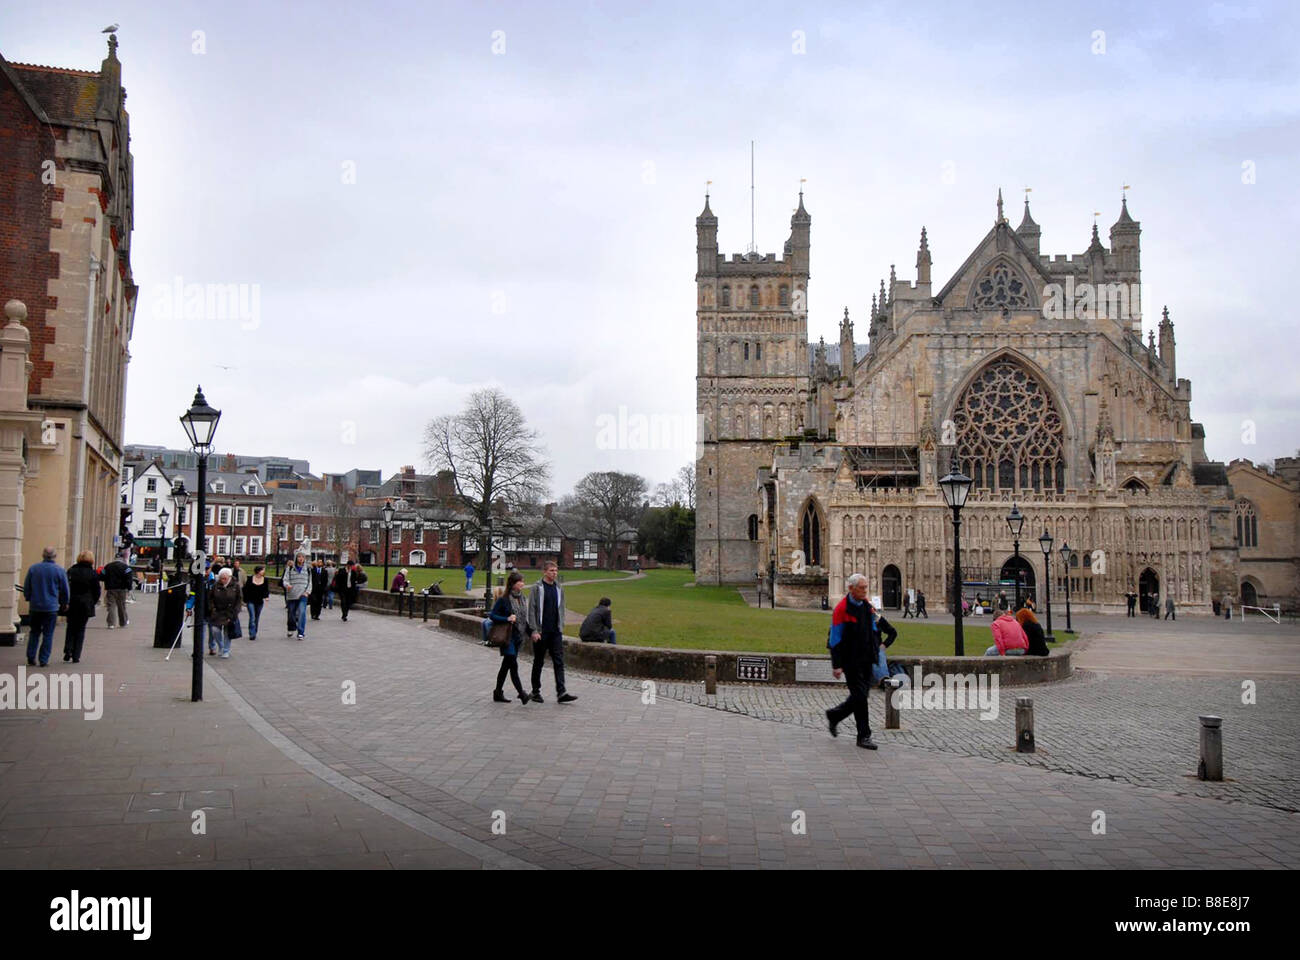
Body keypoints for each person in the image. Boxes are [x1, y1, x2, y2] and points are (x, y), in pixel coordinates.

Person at [824, 573, 878, 750]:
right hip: (850, 660)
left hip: (866, 658)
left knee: (860, 696)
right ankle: (864, 736)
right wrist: (837, 665)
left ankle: (834, 715)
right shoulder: (841, 609)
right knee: (861, 697)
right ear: (851, 588)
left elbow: (873, 630)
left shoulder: (867, 606)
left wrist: (876, 652)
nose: (865, 591)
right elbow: (834, 639)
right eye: (862, 588)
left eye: (865, 587)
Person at [527, 560, 577, 703]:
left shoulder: (559, 588)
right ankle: (535, 691)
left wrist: (561, 625)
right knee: (539, 661)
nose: (554, 573)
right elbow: (531, 610)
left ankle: (561, 692)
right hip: (542, 632)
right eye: (551, 571)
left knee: (559, 661)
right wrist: (534, 630)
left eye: (556, 571)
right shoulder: (537, 588)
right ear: (544, 572)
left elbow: (561, 608)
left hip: (555, 631)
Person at [488, 571, 533, 704]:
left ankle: (497, 692)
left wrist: (532, 633)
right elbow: (492, 615)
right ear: (513, 584)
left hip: (518, 636)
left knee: (506, 666)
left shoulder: (522, 598)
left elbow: (524, 619)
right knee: (513, 664)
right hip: (507, 637)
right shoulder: (504, 599)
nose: (522, 584)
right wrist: (507, 618)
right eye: (520, 581)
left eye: (523, 581)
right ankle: (522, 693)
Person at [23, 547, 69, 667]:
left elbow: (27, 586)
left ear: (43, 555)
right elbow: (65, 589)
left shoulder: (34, 569)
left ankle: (31, 657)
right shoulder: (59, 570)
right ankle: (43, 659)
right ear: (55, 556)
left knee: (34, 632)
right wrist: (64, 603)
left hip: (35, 606)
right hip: (51, 607)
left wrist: (28, 597)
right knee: (48, 634)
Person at [63, 550, 101, 663]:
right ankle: (76, 655)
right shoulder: (93, 573)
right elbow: (97, 591)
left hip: (72, 602)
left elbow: (66, 587)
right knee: (80, 629)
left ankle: (68, 649)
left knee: (70, 627)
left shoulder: (71, 571)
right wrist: (92, 602)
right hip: (85, 604)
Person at [207, 567, 243, 659]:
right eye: (221, 578)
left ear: (229, 577)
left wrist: (236, 611)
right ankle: (221, 646)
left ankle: (226, 650)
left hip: (230, 612)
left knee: (227, 632)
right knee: (214, 630)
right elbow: (210, 598)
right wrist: (213, 608)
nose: (223, 580)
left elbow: (239, 599)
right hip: (218, 612)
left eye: (225, 578)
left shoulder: (236, 586)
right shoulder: (216, 585)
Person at [869, 608, 901, 688]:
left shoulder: (878, 619)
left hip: (876, 648)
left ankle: (884, 679)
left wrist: (885, 644)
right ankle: (884, 680)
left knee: (880, 654)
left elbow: (893, 633)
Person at [282, 552, 311, 640]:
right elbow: (285, 579)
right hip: (292, 594)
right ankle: (291, 627)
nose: (301, 558)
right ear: (296, 558)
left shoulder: (308, 569)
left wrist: (307, 592)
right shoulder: (290, 568)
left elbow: (310, 582)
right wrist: (287, 585)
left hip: (303, 594)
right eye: (299, 557)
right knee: (291, 613)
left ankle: (301, 632)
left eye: (302, 557)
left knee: (302, 612)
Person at [101, 553, 132, 629]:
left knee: (111, 605)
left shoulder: (108, 566)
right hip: (122, 589)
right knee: (121, 606)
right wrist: (129, 588)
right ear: (122, 559)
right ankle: (123, 622)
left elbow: (102, 576)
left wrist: (107, 581)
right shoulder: (126, 567)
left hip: (111, 588)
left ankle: (111, 623)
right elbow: (129, 579)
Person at [242, 565, 269, 640]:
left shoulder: (265, 580)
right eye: (263, 570)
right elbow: (245, 590)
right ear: (258, 571)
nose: (264, 571)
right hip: (250, 601)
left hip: (259, 601)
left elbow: (266, 590)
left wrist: (266, 596)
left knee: (257, 617)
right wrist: (245, 600)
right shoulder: (250, 579)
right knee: (252, 617)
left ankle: (255, 631)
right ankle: (252, 633)